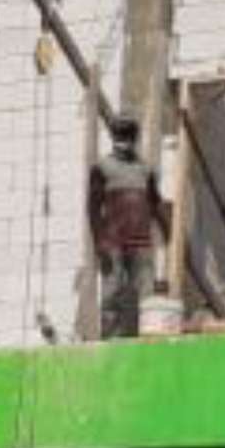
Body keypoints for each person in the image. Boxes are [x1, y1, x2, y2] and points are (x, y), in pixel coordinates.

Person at [88, 115, 170, 339]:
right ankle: (110, 338)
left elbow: (155, 201)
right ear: (114, 137)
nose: (124, 141)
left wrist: (168, 230)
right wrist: (99, 243)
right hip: (113, 242)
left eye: (128, 136)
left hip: (141, 242)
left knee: (143, 294)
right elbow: (93, 208)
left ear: (135, 138)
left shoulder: (145, 169)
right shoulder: (102, 167)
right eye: (119, 136)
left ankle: (138, 337)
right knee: (112, 292)